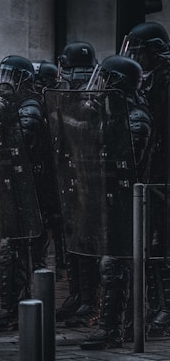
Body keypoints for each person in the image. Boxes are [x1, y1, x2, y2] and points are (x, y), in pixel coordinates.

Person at [77, 55, 153, 349]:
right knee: (111, 264)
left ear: (117, 83)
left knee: (115, 265)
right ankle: (117, 327)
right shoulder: (112, 112)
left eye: (106, 78)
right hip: (111, 199)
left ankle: (112, 329)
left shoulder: (135, 117)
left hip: (129, 202)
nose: (100, 83)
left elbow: (125, 159)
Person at [0, 55, 51, 330]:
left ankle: (18, 308)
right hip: (16, 188)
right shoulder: (16, 105)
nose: (3, 83)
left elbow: (20, 144)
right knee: (14, 248)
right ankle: (15, 306)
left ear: (23, 79)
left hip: (30, 190)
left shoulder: (30, 107)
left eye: (9, 77)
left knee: (17, 248)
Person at [119, 21, 170, 338]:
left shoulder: (165, 81)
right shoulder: (150, 81)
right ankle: (157, 305)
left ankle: (166, 308)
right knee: (152, 243)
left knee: (163, 243)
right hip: (154, 171)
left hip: (166, 173)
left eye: (139, 50)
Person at [54, 41, 103, 329]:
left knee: (86, 243)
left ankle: (89, 302)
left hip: (90, 176)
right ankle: (81, 297)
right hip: (73, 174)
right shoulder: (79, 90)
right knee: (76, 242)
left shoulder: (89, 93)